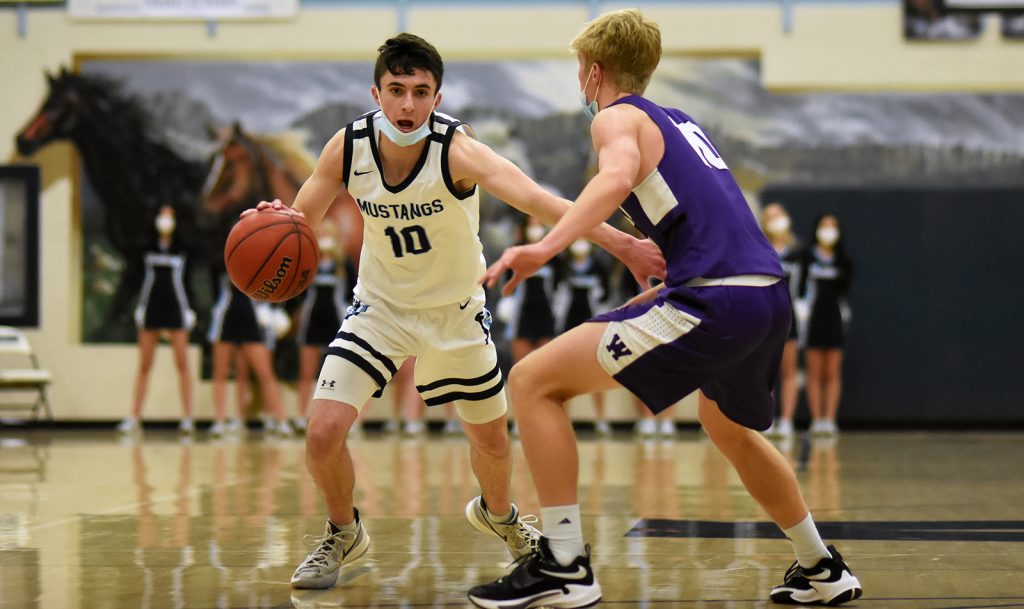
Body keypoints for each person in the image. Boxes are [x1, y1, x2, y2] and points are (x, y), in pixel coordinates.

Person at [470, 9, 861, 608]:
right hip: (763, 295)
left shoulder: (615, 118)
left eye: (580, 69)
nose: (580, 81)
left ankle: (566, 564)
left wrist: (545, 245)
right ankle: (821, 566)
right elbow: (714, 225)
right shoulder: (680, 123)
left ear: (594, 71)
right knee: (726, 426)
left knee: (531, 382)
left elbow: (616, 176)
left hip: (715, 299)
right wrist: (654, 273)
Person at [249, 33, 663, 590]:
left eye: (420, 92)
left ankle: (502, 517)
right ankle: (343, 531)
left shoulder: (457, 150)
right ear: (377, 93)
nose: (407, 106)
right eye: (396, 91)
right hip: (380, 309)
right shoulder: (347, 148)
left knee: (491, 444)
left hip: (455, 313)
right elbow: (298, 226)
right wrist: (275, 222)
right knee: (322, 433)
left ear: (437, 98)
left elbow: (540, 200)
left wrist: (625, 244)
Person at [117, 205, 196, 435]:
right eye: (162, 215)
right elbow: (135, 281)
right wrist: (137, 309)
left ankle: (188, 418)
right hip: (151, 308)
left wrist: (190, 309)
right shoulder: (145, 249)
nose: (165, 220)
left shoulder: (182, 250)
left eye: (170, 216)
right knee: (144, 365)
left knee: (182, 364)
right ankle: (134, 416)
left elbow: (188, 283)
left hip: (176, 309)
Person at [207, 274, 293, 437]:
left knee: (265, 373)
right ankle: (221, 420)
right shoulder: (221, 264)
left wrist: (272, 311)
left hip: (252, 318)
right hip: (226, 317)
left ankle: (281, 420)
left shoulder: (262, 264)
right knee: (222, 372)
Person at [499, 215, 560, 436]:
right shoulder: (515, 253)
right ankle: (519, 422)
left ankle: (545, 422)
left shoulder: (554, 255)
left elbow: (560, 287)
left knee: (545, 374)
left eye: (539, 224)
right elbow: (506, 286)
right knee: (520, 373)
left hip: (546, 319)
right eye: (531, 224)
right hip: (521, 321)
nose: (535, 229)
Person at [294, 222, 356, 433]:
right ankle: (302, 417)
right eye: (320, 234)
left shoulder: (343, 264)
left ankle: (346, 420)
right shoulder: (309, 262)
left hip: (337, 323)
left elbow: (353, 293)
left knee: (341, 376)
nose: (324, 239)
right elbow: (299, 295)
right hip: (311, 323)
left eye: (328, 234)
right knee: (307, 373)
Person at [798, 213, 852, 437]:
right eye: (824, 225)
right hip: (812, 319)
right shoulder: (806, 258)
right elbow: (800, 288)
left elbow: (844, 290)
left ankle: (830, 420)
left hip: (834, 319)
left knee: (832, 371)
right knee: (814, 371)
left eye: (833, 226)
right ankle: (816, 419)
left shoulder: (843, 261)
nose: (828, 230)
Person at [555, 237, 612, 435]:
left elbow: (605, 296)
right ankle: (564, 420)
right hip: (567, 327)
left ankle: (601, 419)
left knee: (596, 372)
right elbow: (557, 298)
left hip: (592, 327)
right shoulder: (562, 266)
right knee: (566, 375)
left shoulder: (598, 266)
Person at [760, 203, 804, 439]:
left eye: (779, 215)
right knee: (766, 371)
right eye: (770, 217)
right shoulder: (759, 248)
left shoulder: (798, 252)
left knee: (789, 369)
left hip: (789, 315)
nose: (776, 220)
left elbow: (806, 286)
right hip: (765, 315)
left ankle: (787, 420)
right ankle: (766, 418)